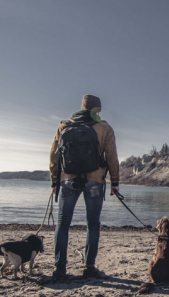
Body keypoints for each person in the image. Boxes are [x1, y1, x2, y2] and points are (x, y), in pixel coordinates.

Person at [49, 94, 119, 279]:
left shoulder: (64, 126)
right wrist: (115, 182)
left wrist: (54, 181)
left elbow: (54, 156)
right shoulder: (104, 127)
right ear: (98, 109)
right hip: (95, 180)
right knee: (93, 224)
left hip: (67, 179)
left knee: (63, 224)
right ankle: (89, 267)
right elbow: (112, 157)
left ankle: (60, 268)